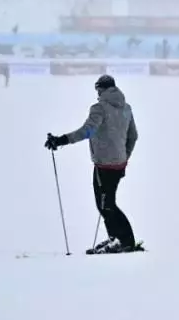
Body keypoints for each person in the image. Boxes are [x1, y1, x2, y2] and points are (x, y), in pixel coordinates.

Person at [45, 75, 139, 254]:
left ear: (101, 89)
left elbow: (87, 131)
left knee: (105, 205)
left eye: (98, 91)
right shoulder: (126, 108)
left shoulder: (99, 108)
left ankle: (125, 241)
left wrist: (61, 140)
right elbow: (133, 136)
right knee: (108, 203)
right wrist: (125, 156)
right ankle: (116, 238)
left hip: (104, 165)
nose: (97, 94)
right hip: (119, 164)